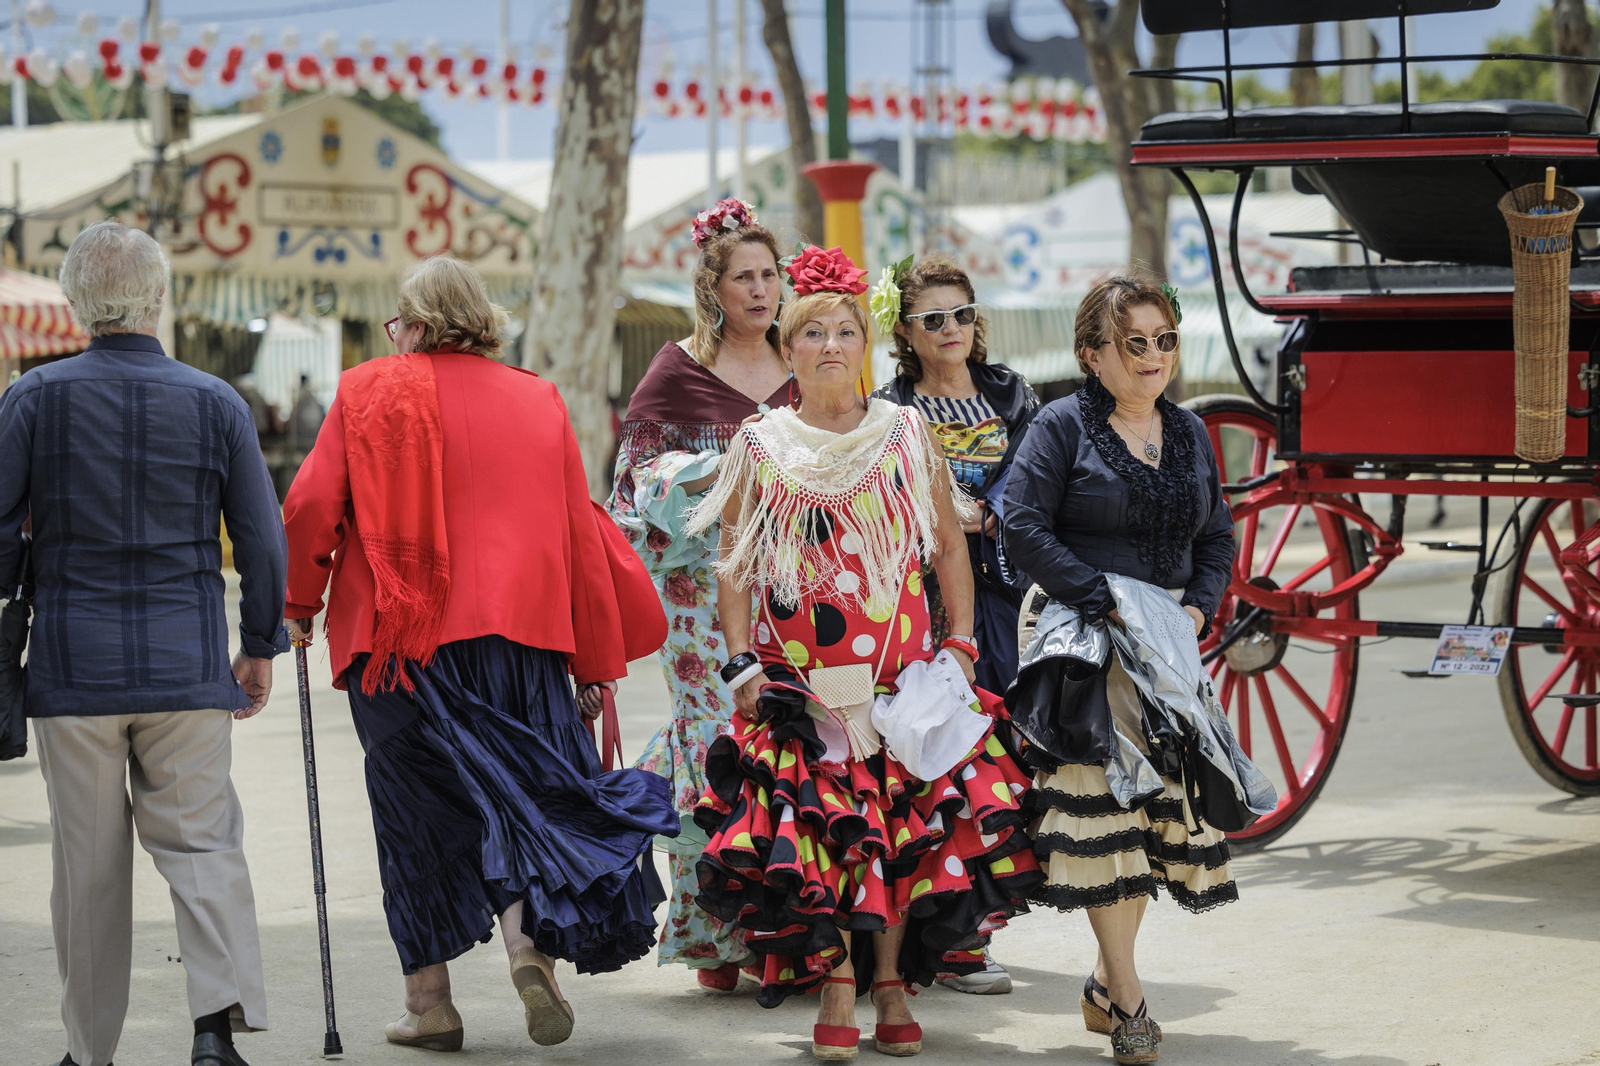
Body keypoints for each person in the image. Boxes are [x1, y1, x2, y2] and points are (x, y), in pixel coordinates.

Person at [282, 255, 676, 1051]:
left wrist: (296, 605)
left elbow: (312, 505)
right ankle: (528, 953)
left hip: (399, 646)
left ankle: (430, 1004)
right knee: (517, 799)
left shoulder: (367, 390)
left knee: (413, 813)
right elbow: (578, 535)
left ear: (416, 321)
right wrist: (592, 663)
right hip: (523, 641)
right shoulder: (537, 398)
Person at [688, 245, 1043, 1060]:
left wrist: (958, 643)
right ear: (789, 351)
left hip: (898, 673)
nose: (831, 346)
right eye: (813, 333)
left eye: (846, 331)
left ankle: (889, 979)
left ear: (864, 346)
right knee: (828, 835)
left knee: (895, 829)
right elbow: (735, 561)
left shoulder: (903, 434)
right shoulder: (763, 442)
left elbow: (949, 545)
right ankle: (841, 978)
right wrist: (741, 659)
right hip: (801, 681)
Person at [0, 221, 286, 1066]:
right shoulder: (214, 401)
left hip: (72, 668)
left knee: (84, 868)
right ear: (158, 299)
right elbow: (260, 537)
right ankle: (213, 1031)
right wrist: (259, 641)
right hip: (186, 665)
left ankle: (90, 1052)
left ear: (79, 303)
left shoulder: (32, 398)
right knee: (203, 846)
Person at [1001, 275, 1249, 1065]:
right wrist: (1102, 599)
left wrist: (1196, 610)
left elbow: (1217, 536)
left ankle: (1107, 985)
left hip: (1166, 648)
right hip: (1082, 639)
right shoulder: (1060, 427)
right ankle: (1132, 1000)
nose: (1153, 356)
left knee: (1146, 822)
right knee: (1100, 806)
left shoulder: (1189, 433)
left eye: (1165, 339)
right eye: (1133, 343)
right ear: (1091, 355)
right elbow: (1020, 524)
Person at [605, 197, 791, 990]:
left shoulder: (807, 356)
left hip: (793, 590)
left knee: (790, 748)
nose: (760, 290)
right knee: (716, 749)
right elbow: (628, 488)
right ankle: (714, 935)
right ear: (712, 289)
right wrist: (712, 477)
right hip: (697, 593)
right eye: (743, 277)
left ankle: (787, 927)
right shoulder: (676, 370)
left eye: (770, 275)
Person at [869, 254, 1039, 996]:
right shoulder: (889, 405)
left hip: (999, 601)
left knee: (994, 762)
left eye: (961, 314)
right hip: (919, 603)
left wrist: (994, 510)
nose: (951, 330)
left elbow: (1037, 472)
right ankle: (931, 933)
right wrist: (939, 524)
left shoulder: (1012, 393)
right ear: (906, 331)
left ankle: (973, 931)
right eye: (932, 319)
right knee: (923, 764)